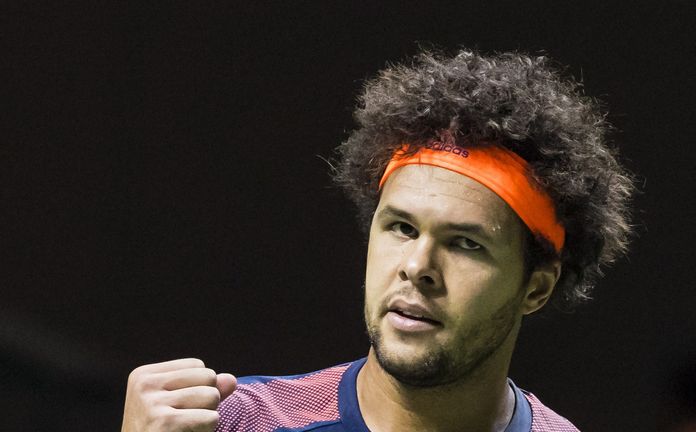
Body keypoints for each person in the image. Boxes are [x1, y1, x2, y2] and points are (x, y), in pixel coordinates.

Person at [121, 49, 634, 432]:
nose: (418, 265)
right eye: (402, 228)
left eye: (465, 244)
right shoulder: (239, 424)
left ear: (536, 288)